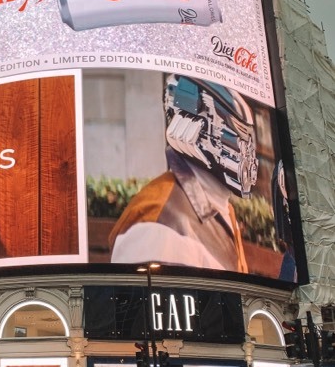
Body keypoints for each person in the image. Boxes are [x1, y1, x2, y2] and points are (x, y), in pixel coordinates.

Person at [109, 75, 257, 273]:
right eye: (235, 135)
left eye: (247, 139)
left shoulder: (222, 208)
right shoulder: (158, 220)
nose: (246, 153)